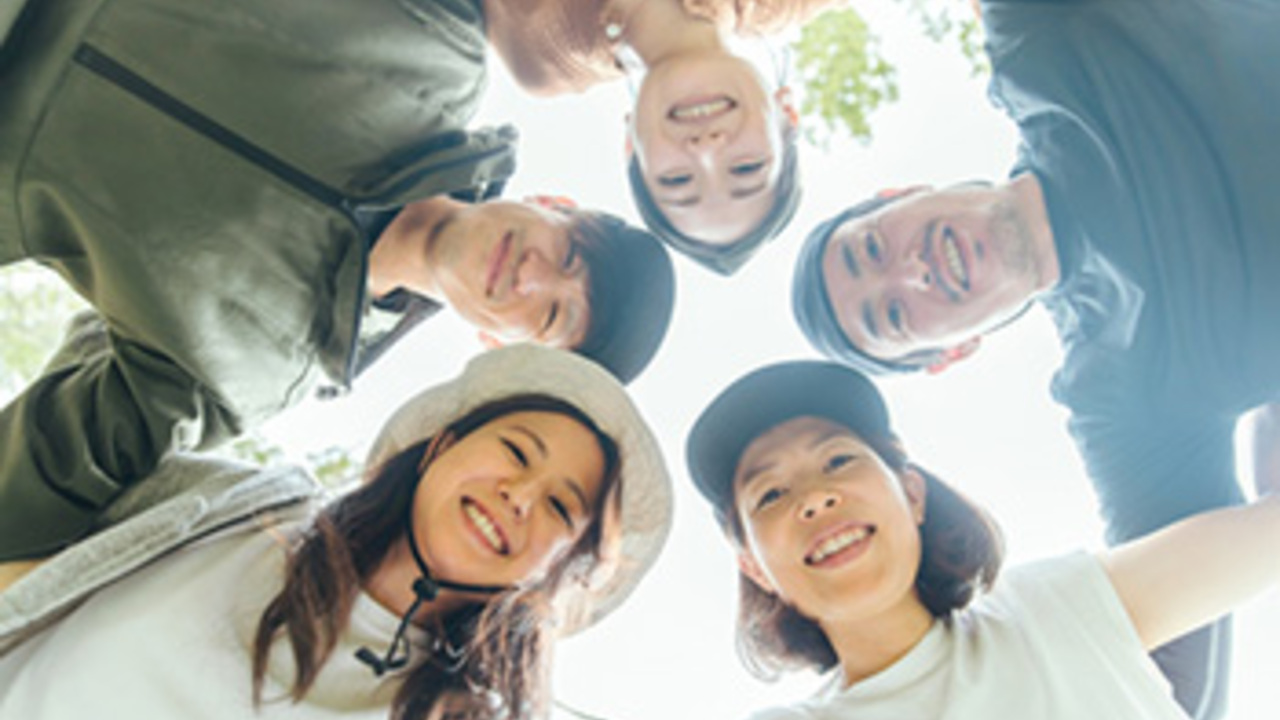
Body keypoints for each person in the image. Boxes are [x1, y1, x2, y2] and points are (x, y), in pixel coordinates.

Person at [0, 0, 676, 561]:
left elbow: (53, 470)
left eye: (552, 316)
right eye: (569, 254)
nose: (533, 277)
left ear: (498, 346)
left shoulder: (263, 364)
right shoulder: (439, 46)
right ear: (554, 205)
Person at [789, 0, 1280, 715]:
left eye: (872, 247)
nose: (910, 272)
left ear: (901, 195)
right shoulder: (1124, 400)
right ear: (951, 353)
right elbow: (1166, 682)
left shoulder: (1041, 39)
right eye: (893, 315)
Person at [0, 344, 674, 720]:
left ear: (550, 574)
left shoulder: (465, 715)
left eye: (561, 509)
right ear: (440, 447)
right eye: (517, 453)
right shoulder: (237, 508)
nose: (520, 497)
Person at [684, 359, 1280, 720]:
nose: (814, 498)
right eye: (770, 496)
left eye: (838, 460)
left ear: (911, 494)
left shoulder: (1054, 608)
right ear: (756, 568)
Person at [482, 0, 832, 273]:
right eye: (746, 168)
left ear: (631, 145)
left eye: (678, 179)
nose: (706, 149)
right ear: (787, 114)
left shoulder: (544, 57)